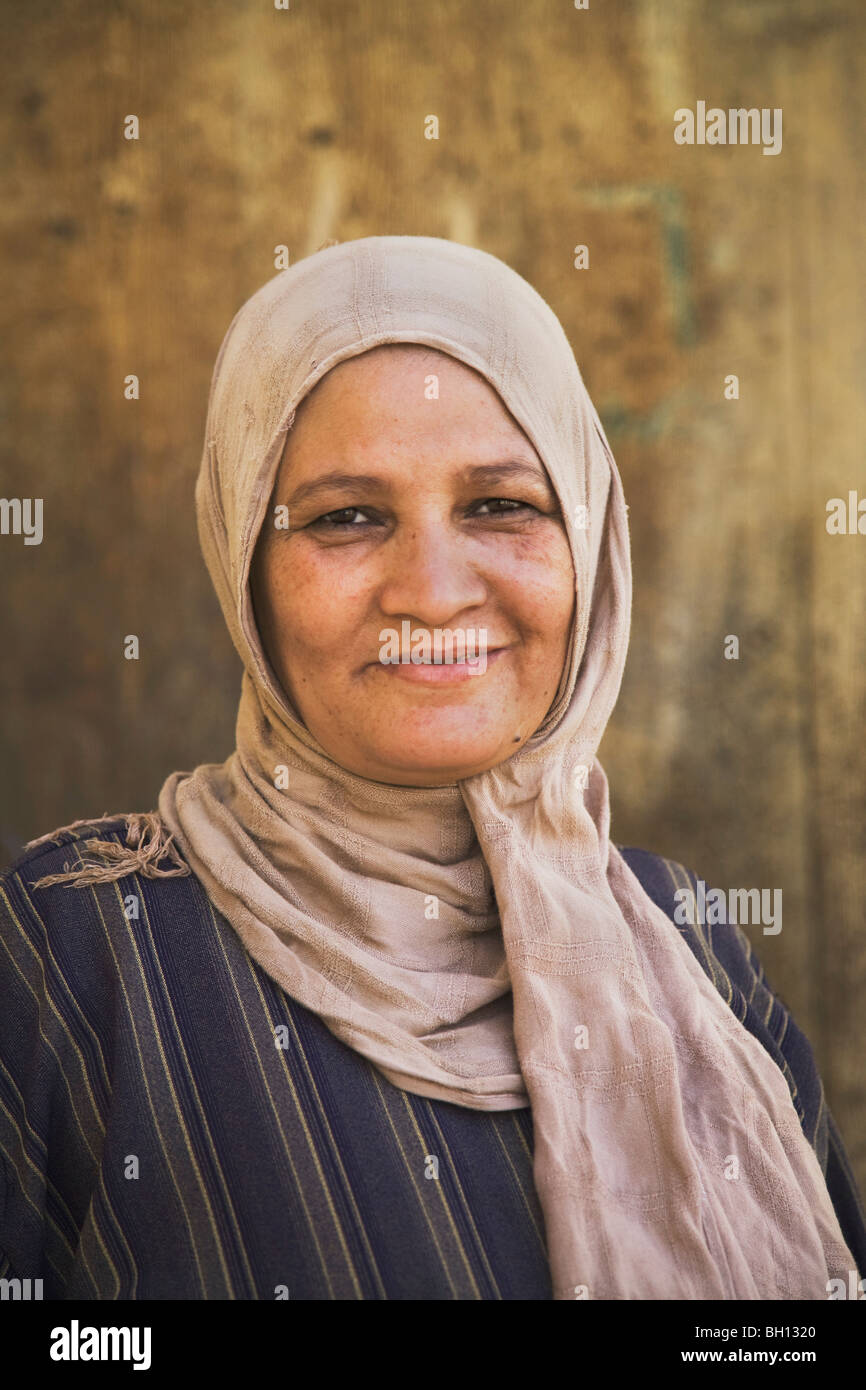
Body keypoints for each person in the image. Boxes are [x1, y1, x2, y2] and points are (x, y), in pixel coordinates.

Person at [1, 235, 863, 1301]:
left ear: (585, 545)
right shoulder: (72, 953)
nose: (433, 587)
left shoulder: (690, 944)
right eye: (346, 517)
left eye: (500, 504)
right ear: (243, 565)